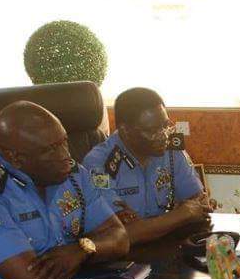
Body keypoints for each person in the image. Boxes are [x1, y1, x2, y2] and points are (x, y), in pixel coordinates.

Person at [0, 101, 129, 279]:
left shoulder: (71, 173)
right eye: (50, 150)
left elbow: (120, 238)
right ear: (14, 157)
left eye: (64, 142)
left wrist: (82, 250)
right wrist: (97, 250)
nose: (65, 155)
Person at [83, 88, 211, 245]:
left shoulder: (172, 150)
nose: (163, 135)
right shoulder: (99, 164)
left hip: (169, 245)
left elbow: (200, 204)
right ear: (125, 130)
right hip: (125, 255)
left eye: (165, 126)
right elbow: (118, 235)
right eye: (152, 131)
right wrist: (180, 214)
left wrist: (145, 226)